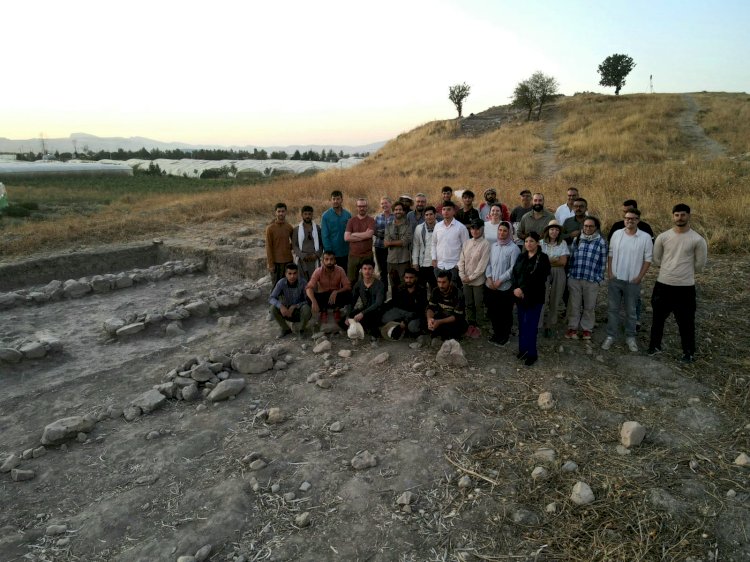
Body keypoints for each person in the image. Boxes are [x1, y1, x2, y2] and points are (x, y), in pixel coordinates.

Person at [648, 203, 708, 363]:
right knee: (658, 319)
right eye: (676, 215)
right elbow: (656, 259)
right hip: (663, 284)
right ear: (673, 216)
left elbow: (700, 264)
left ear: (689, 216)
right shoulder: (663, 237)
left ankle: (688, 352)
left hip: (685, 287)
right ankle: (654, 346)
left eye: (683, 215)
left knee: (686, 322)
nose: (679, 218)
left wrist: (682, 273)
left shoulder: (697, 239)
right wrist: (670, 270)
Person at [601, 207, 653, 352]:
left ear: (638, 220)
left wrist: (639, 277)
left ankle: (630, 337)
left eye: (633, 218)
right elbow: (610, 254)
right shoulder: (617, 234)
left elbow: (648, 259)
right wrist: (610, 272)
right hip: (616, 278)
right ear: (624, 219)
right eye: (627, 218)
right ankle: (611, 335)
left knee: (631, 311)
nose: (630, 221)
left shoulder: (645, 237)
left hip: (633, 281)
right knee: (613, 309)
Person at [511, 232, 551, 366]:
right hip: (520, 297)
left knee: (531, 326)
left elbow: (539, 279)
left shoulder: (543, 258)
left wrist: (523, 289)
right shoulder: (522, 257)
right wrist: (516, 288)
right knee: (522, 324)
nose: (528, 244)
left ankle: (532, 353)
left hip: (534, 297)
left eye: (532, 241)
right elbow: (515, 273)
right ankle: (522, 350)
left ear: (537, 243)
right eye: (527, 241)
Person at [565, 216, 607, 340]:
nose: (588, 228)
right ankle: (572, 327)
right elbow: (571, 258)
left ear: (596, 228)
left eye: (591, 226)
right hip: (575, 277)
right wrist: (570, 274)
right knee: (574, 305)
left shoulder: (601, 242)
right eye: (586, 226)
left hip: (591, 279)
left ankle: (586, 329)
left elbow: (603, 262)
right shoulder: (577, 239)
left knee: (589, 306)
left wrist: (599, 278)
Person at [485, 221, 520, 346]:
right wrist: (489, 278)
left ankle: (504, 335)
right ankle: (496, 333)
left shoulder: (514, 248)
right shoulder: (493, 246)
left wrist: (500, 280)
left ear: (509, 232)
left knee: (504, 312)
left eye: (505, 230)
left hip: (505, 287)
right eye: (500, 230)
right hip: (492, 285)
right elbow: (488, 263)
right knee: (494, 311)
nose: (502, 233)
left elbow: (513, 269)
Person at [458, 219, 491, 338]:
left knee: (478, 303)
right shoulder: (467, 243)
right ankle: (471, 324)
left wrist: (470, 277)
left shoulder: (486, 244)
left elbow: (482, 266)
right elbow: (461, 260)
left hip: (477, 280)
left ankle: (479, 325)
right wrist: (462, 275)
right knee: (468, 303)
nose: (475, 231)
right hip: (465, 279)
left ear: (482, 229)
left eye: (477, 228)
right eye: (472, 228)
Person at [305, 250, 352, 326]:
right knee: (308, 297)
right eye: (326, 259)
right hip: (323, 296)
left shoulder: (340, 270)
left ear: (335, 260)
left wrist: (337, 292)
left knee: (348, 294)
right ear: (322, 261)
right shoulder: (318, 271)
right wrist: (313, 301)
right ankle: (323, 311)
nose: (329, 262)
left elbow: (348, 286)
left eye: (331, 259)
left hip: (335, 297)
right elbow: (308, 287)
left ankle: (336, 309)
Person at [541, 220, 570, 338]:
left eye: (557, 230)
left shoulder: (562, 243)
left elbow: (563, 262)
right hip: (543, 272)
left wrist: (548, 260)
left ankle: (550, 324)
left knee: (556, 297)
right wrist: (554, 260)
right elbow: (540, 262)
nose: (554, 232)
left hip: (559, 273)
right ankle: (539, 323)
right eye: (552, 229)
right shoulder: (540, 243)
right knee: (542, 297)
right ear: (548, 230)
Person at [431, 201, 469, 288]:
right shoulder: (437, 226)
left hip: (454, 266)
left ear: (454, 211)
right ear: (441, 211)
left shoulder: (461, 228)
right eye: (444, 209)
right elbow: (433, 243)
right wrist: (433, 258)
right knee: (441, 292)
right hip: (439, 266)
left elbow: (466, 248)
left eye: (449, 209)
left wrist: (459, 265)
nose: (446, 212)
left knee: (454, 293)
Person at [381, 267, 428, 337]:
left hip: (414, 314)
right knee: (385, 319)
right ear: (404, 278)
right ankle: (400, 326)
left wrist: (406, 321)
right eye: (407, 277)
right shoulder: (400, 288)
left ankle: (405, 328)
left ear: (416, 278)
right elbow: (394, 302)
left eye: (411, 278)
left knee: (412, 327)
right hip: (401, 312)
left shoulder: (421, 290)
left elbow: (420, 310)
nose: (408, 280)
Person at [269, 263, 311, 338]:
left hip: (299, 310)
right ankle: (286, 329)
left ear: (297, 273)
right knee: (272, 308)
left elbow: (308, 300)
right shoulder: (281, 283)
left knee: (306, 309)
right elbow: (271, 298)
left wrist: (295, 306)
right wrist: (281, 306)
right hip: (286, 311)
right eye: (290, 273)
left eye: (295, 273)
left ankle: (301, 330)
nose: (292, 276)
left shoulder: (303, 282)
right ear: (286, 274)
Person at [345, 259, 385, 337]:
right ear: (361, 270)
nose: (367, 271)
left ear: (373, 270)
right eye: (365, 269)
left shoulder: (379, 284)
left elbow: (378, 303)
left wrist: (362, 313)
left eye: (370, 269)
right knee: (344, 320)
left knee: (371, 320)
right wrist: (348, 316)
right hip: (365, 310)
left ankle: (373, 332)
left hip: (377, 311)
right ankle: (363, 327)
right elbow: (352, 301)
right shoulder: (358, 284)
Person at [426, 270, 467, 341]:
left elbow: (457, 316)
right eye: (439, 282)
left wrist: (439, 322)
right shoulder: (435, 291)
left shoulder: (458, 294)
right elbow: (430, 308)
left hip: (453, 320)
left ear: (450, 282)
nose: (441, 285)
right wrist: (429, 319)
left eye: (444, 282)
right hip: (440, 316)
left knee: (455, 328)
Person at [344, 198, 375, 283]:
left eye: (364, 206)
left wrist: (354, 234)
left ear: (366, 207)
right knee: (351, 280)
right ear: (356, 207)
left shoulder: (371, 220)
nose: (362, 208)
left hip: (367, 255)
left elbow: (369, 234)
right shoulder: (351, 221)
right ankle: (352, 296)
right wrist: (364, 235)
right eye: (360, 206)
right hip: (353, 256)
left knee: (368, 280)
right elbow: (346, 238)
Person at [384, 202, 413, 291]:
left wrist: (391, 243)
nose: (398, 211)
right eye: (396, 210)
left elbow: (405, 241)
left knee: (404, 285)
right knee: (393, 286)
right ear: (393, 211)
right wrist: (398, 242)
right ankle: (395, 304)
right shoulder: (388, 226)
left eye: (400, 209)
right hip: (391, 261)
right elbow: (385, 243)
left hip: (404, 260)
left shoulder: (408, 225)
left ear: (403, 211)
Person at [321, 190, 352, 272]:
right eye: (333, 199)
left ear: (342, 200)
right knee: (332, 275)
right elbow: (325, 235)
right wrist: (329, 252)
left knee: (344, 273)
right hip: (332, 252)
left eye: (338, 199)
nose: (335, 201)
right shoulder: (326, 216)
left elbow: (350, 232)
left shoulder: (347, 215)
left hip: (345, 251)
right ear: (331, 200)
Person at [292, 205, 322, 282]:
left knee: (315, 281)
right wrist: (302, 255)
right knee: (302, 281)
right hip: (302, 260)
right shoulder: (296, 229)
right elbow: (294, 245)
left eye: (309, 214)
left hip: (314, 259)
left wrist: (316, 255)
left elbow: (321, 244)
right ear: (302, 215)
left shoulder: (317, 228)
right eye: (305, 214)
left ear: (312, 215)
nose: (307, 216)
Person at [265, 202, 294, 284]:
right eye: (279, 211)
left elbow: (294, 242)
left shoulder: (289, 227)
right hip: (276, 262)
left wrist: (288, 247)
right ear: (275, 212)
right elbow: (268, 247)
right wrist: (270, 264)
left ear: (286, 212)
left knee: (289, 284)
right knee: (276, 285)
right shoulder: (270, 228)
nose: (281, 213)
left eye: (283, 211)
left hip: (288, 261)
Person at [412, 206, 438, 291]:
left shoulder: (441, 227)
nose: (429, 217)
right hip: (423, 263)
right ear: (424, 216)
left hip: (436, 264)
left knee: (435, 288)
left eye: (431, 214)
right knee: (421, 288)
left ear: (435, 215)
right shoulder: (419, 228)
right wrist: (415, 262)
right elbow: (416, 246)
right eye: (426, 215)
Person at [373, 196, 394, 296]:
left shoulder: (395, 217)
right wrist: (379, 234)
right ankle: (383, 293)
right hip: (379, 247)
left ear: (390, 204)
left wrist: (387, 235)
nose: (384, 205)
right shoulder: (377, 217)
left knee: (392, 271)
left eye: (386, 203)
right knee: (382, 272)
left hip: (392, 248)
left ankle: (395, 294)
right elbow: (374, 231)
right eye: (382, 203)